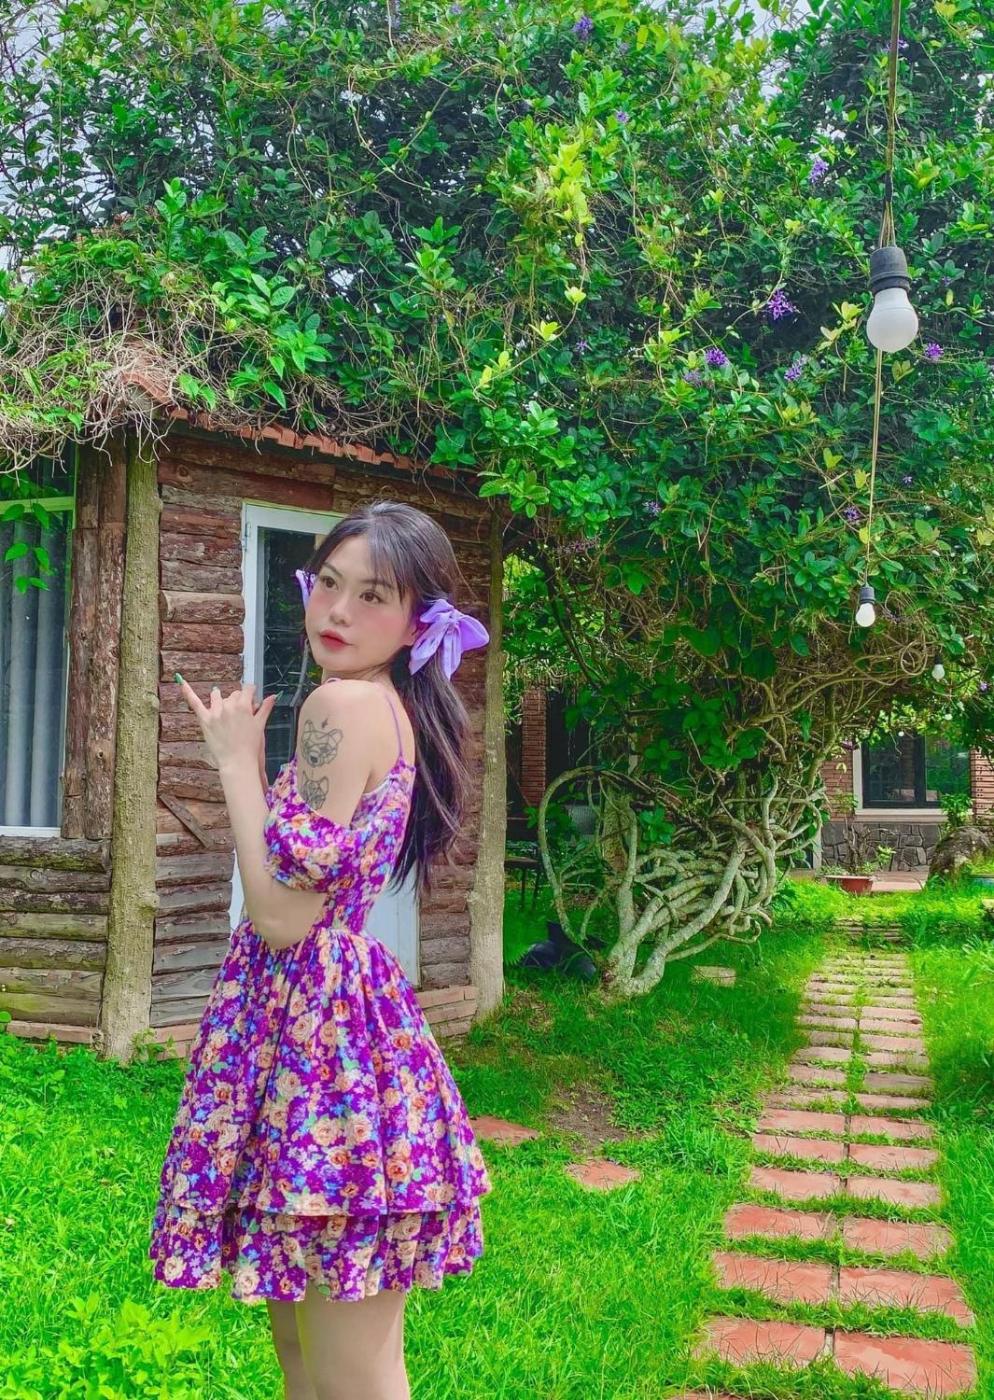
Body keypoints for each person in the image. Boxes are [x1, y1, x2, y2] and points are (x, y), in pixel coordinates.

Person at [148, 500, 494, 1400]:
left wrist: (235, 763)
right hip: (334, 1031)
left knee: (347, 1371)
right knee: (314, 1357)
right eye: (328, 583)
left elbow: (281, 918)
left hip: (321, 1047)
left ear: (417, 623)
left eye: (372, 595)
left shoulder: (341, 703)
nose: (337, 611)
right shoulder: (391, 707)